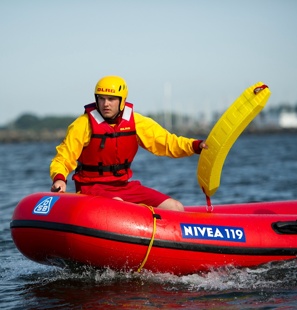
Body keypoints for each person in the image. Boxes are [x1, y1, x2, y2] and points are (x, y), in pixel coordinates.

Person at [50, 75, 208, 211]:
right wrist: (59, 178)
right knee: (119, 206)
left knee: (175, 207)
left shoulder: (136, 122)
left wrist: (195, 146)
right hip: (91, 188)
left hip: (123, 186)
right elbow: (63, 158)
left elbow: (167, 142)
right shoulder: (83, 125)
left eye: (111, 99)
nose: (106, 104)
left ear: (122, 101)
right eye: (101, 99)